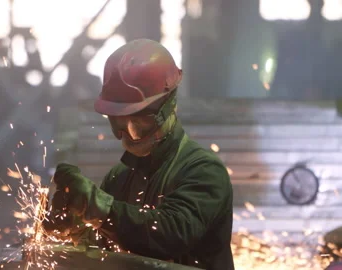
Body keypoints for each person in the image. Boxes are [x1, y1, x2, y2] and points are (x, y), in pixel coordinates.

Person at [43, 39, 234, 270]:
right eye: (118, 122)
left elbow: (170, 234)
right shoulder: (120, 176)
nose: (128, 133)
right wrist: (79, 229)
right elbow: (112, 250)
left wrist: (100, 209)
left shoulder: (203, 170)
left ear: (169, 106)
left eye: (139, 121)